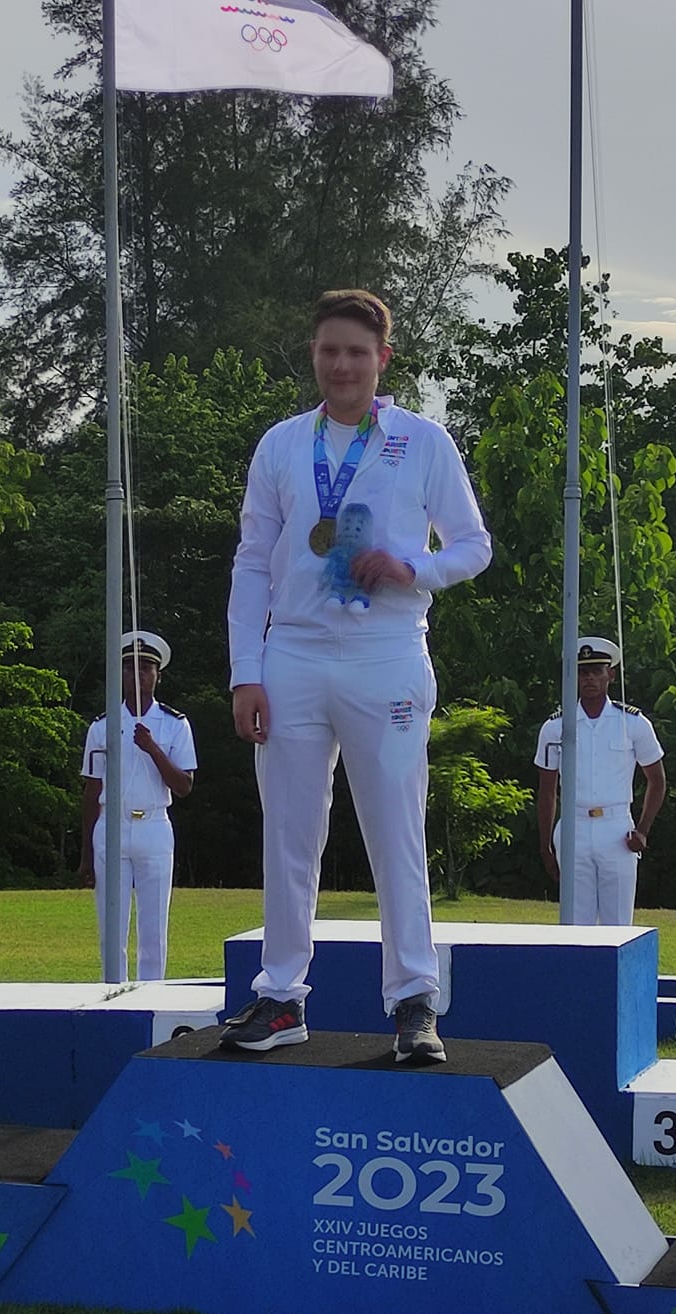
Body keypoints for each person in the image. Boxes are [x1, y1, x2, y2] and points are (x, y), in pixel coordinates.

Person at [219, 289, 492, 1061]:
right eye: (328, 351)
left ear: (384, 360)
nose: (341, 366)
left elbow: (474, 545)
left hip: (388, 655)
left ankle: (414, 1004)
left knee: (396, 832)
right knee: (289, 834)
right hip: (294, 654)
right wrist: (247, 671)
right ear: (313, 356)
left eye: (357, 353)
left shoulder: (422, 441)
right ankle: (280, 998)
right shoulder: (280, 445)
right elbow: (250, 561)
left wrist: (412, 567)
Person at [81, 631, 196, 982]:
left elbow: (184, 785)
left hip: (154, 826)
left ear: (158, 675)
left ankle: (152, 992)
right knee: (111, 924)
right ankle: (112, 992)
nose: (138, 675)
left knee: (153, 926)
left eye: (146, 667)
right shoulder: (102, 726)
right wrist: (86, 853)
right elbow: (91, 790)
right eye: (129, 668)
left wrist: (153, 748)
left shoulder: (174, 723)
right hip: (111, 825)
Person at [535, 637, 667, 925]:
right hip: (574, 827)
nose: (590, 679)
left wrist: (643, 829)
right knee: (574, 927)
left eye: (597, 671)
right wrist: (545, 845)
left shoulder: (632, 723)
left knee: (618, 925)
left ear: (611, 674)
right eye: (583, 672)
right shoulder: (556, 726)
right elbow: (547, 792)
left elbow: (656, 780)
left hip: (616, 829)